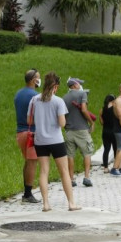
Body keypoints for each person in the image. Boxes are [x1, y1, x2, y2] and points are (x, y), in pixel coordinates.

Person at [27, 72, 80, 212]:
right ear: (55, 87)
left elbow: (29, 121)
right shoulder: (58, 101)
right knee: (64, 172)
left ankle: (45, 204)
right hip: (56, 140)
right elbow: (62, 123)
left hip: (40, 141)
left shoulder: (34, 99)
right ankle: (71, 203)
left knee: (44, 172)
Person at [14, 69, 41, 203]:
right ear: (32, 80)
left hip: (20, 132)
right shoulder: (35, 96)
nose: (39, 80)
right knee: (32, 162)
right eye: (38, 78)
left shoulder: (18, 94)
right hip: (31, 132)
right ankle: (28, 194)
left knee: (27, 161)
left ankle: (26, 191)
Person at [62, 77, 95, 187]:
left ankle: (71, 179)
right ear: (75, 85)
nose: (80, 86)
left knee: (70, 155)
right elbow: (84, 110)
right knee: (87, 152)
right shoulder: (82, 94)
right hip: (82, 129)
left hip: (69, 130)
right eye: (79, 84)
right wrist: (91, 122)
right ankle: (86, 177)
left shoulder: (64, 98)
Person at [100, 94, 117, 173]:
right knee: (115, 149)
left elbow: (102, 122)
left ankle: (105, 167)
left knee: (106, 150)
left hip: (105, 131)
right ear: (113, 101)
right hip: (114, 131)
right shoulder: (115, 109)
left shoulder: (102, 110)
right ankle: (115, 166)